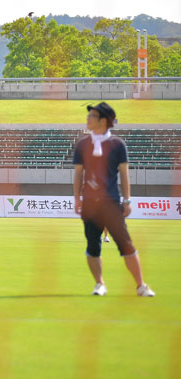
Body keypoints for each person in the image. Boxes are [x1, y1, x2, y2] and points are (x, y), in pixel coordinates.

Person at [73, 102, 154, 297]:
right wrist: (77, 198)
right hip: (89, 204)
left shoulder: (118, 145)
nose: (88, 118)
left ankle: (141, 285)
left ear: (103, 121)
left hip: (111, 202)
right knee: (93, 246)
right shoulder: (82, 144)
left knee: (126, 245)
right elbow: (78, 174)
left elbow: (124, 174)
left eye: (92, 116)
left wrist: (127, 200)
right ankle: (99, 284)